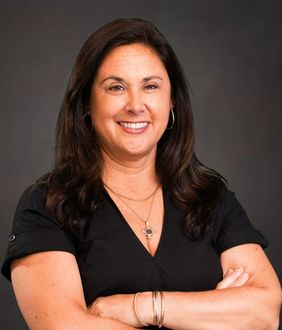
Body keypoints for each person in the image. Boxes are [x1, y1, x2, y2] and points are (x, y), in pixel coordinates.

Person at [1, 17, 281, 330]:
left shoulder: (210, 198)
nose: (136, 105)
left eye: (150, 86)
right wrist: (211, 314)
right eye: (116, 87)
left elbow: (266, 312)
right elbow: (63, 326)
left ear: (171, 100)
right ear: (87, 104)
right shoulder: (48, 206)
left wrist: (139, 307)